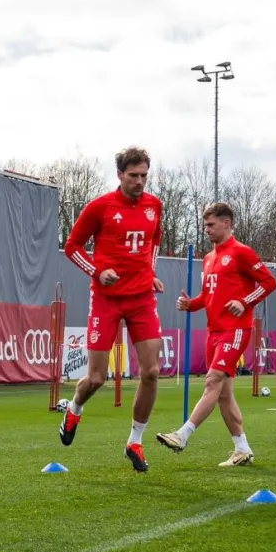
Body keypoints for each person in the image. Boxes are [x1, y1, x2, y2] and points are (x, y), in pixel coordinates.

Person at [60, 146, 164, 472]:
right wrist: (97, 271)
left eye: (144, 176)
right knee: (96, 378)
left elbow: (154, 241)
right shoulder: (101, 207)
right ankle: (75, 409)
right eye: (133, 176)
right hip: (106, 299)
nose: (139, 182)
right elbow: (71, 246)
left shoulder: (154, 206)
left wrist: (152, 272)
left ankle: (135, 440)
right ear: (119, 174)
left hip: (142, 299)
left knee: (151, 372)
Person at [155, 203, 276, 466]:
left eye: (211, 225)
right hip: (214, 331)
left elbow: (269, 282)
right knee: (223, 394)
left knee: (212, 381)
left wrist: (244, 302)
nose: (207, 230)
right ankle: (242, 449)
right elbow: (209, 296)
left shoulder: (241, 252)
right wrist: (192, 304)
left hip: (235, 330)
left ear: (227, 223)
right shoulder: (210, 258)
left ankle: (182, 435)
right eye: (205, 225)